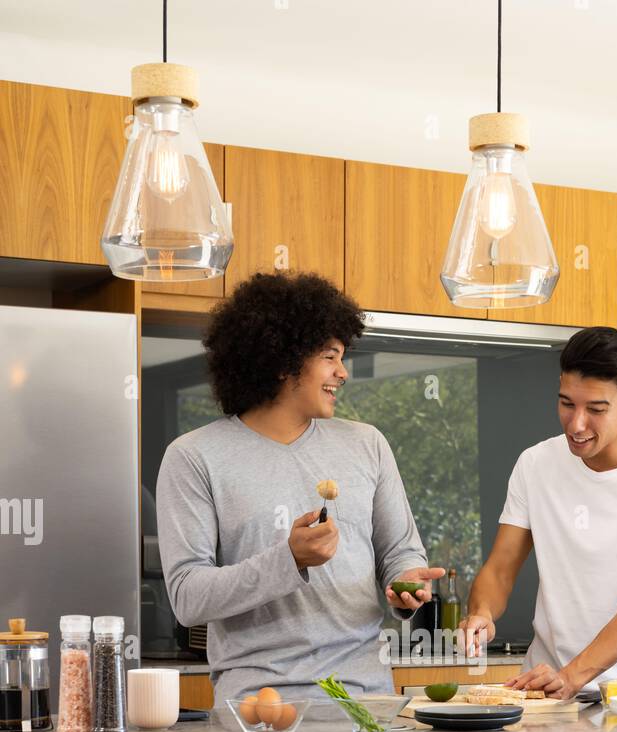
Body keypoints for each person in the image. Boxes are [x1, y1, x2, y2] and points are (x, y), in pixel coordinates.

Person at [156, 271, 442, 705]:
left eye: (343, 357)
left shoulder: (367, 444)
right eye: (330, 356)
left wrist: (406, 584)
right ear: (282, 360)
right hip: (256, 705)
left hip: (365, 702)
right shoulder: (195, 456)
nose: (342, 373)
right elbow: (188, 597)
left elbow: (400, 552)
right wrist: (288, 560)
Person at [461, 326, 617, 697]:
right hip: (541, 694)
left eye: (595, 409)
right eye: (566, 403)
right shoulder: (536, 464)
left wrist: (572, 676)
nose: (576, 424)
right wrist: (481, 613)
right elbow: (499, 568)